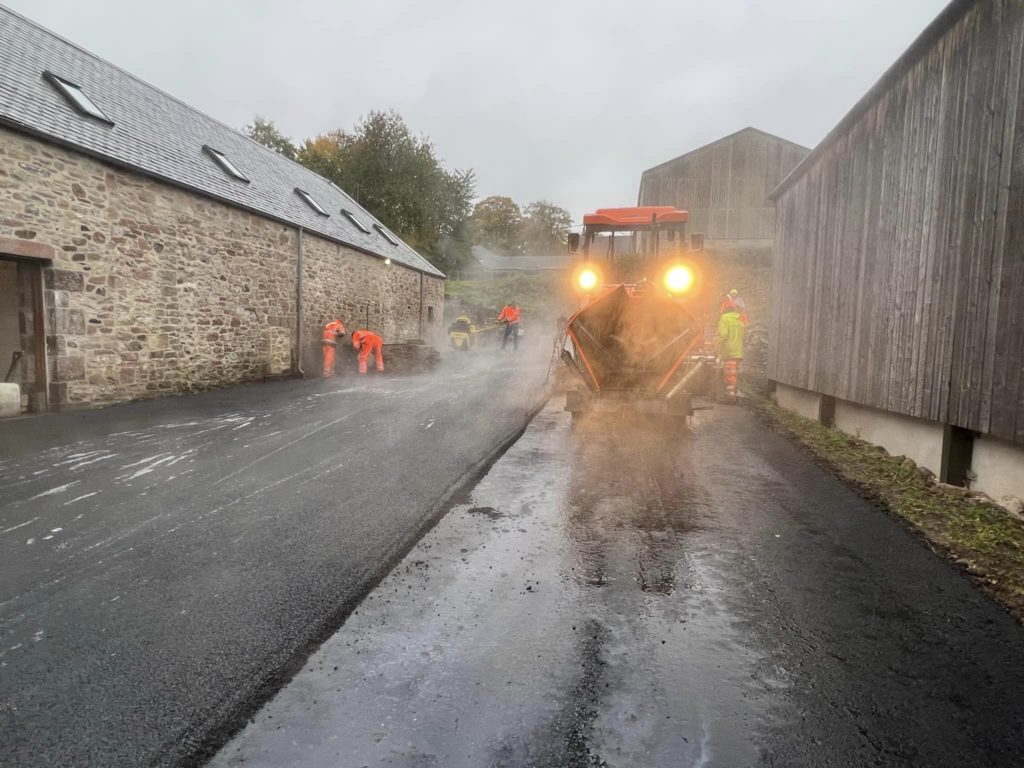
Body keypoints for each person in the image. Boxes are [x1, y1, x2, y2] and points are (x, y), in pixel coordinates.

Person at [716, 303, 745, 403]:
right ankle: (732, 394)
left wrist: (717, 347)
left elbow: (723, 335)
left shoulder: (724, 318)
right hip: (738, 352)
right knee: (733, 374)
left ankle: (730, 397)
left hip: (729, 351)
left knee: (729, 376)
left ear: (724, 310)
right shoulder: (738, 320)